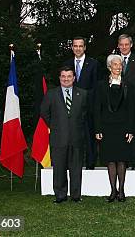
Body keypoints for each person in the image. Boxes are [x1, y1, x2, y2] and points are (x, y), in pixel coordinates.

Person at [40, 66, 89, 203]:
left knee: (76, 169)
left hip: (77, 137)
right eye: (63, 76)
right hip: (58, 138)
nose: (66, 79)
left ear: (74, 78)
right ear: (60, 78)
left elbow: (85, 114)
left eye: (69, 76)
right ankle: (60, 196)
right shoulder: (51, 94)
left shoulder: (83, 94)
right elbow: (44, 112)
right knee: (59, 169)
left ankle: (75, 196)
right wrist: (55, 125)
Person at [94, 55, 135, 202]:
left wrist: (131, 130)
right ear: (109, 67)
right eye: (115, 65)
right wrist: (98, 129)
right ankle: (113, 191)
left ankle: (122, 191)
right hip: (106, 128)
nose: (118, 67)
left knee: (122, 160)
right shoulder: (100, 85)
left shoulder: (128, 85)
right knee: (110, 160)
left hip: (123, 127)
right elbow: (97, 109)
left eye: (120, 65)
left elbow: (132, 109)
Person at [64, 36, 99, 169]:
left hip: (88, 107)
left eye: (80, 46)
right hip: (70, 107)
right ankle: (72, 164)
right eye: (75, 46)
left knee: (90, 136)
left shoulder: (93, 64)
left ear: (84, 47)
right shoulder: (67, 64)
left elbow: (95, 87)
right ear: (72, 47)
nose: (78, 48)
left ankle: (90, 164)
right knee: (71, 137)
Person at [117, 34, 135, 170]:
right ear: (118, 45)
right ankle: (123, 161)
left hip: (134, 103)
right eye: (121, 44)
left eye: (126, 44)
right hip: (118, 103)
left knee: (133, 131)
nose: (124, 47)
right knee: (121, 132)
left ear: (131, 45)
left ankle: (134, 162)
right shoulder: (114, 60)